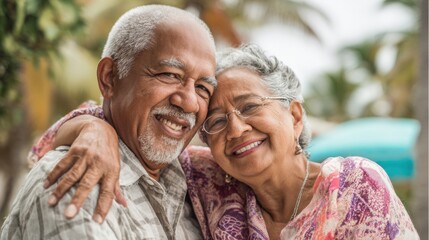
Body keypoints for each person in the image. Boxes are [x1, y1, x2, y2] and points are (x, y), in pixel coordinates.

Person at [13, 45, 419, 239]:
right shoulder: (208, 176)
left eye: (249, 107)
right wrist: (94, 130)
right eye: (217, 121)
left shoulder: (354, 186)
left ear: (294, 116)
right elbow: (50, 144)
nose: (237, 130)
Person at [1, 4, 218, 239]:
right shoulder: (76, 178)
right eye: (169, 75)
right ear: (109, 78)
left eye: (202, 88)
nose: (189, 103)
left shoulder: (202, 192)